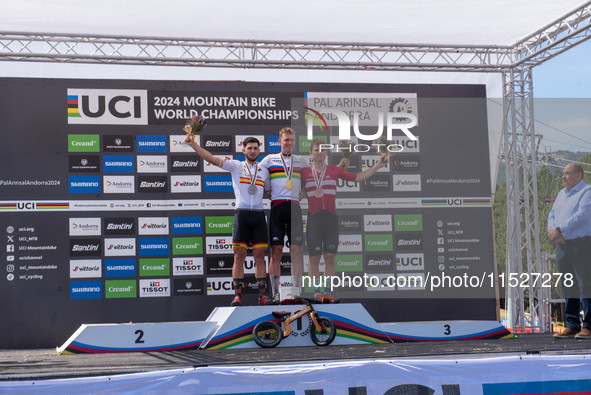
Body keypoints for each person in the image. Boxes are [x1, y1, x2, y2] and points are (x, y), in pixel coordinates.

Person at [184, 134, 272, 306]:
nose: (253, 151)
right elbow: (210, 158)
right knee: (239, 257)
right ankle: (237, 296)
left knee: (260, 257)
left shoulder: (265, 170)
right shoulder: (236, 165)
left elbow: (269, 193)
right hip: (242, 215)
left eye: (255, 148)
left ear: (259, 150)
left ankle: (262, 295)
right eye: (250, 148)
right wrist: (193, 144)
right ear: (243, 149)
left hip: (259, 215)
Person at [302, 138, 388, 303]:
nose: (320, 152)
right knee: (314, 258)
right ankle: (316, 293)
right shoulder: (304, 173)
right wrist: (297, 192)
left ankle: (327, 292)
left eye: (323, 149)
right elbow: (293, 187)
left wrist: (377, 166)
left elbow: (358, 178)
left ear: (326, 152)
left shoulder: (335, 170)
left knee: (329, 257)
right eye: (316, 149)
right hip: (313, 219)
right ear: (310, 153)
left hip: (330, 219)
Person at [259, 127, 308, 304]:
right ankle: (276, 293)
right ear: (279, 141)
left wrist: (302, 190)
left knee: (296, 252)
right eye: (286, 140)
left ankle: (296, 292)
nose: (289, 143)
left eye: (292, 140)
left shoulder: (301, 161)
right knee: (276, 252)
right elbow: (256, 176)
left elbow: (311, 178)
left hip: (295, 209)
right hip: (277, 208)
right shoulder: (269, 160)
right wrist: (266, 190)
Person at [548, 163, 591, 339]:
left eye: (567, 173)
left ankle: (588, 326)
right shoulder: (561, 194)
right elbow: (551, 214)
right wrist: (554, 233)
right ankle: (572, 324)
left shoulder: (587, 191)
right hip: (562, 245)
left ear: (579, 175)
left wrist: (559, 229)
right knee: (568, 284)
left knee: (585, 284)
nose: (564, 176)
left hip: (581, 244)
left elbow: (581, 215)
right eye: (563, 173)